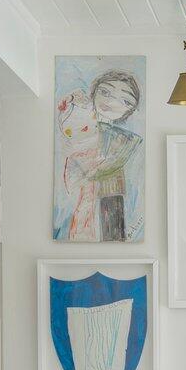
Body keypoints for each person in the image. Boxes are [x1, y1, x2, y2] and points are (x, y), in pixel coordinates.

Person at [55, 68, 144, 241]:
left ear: (130, 110)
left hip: (112, 190)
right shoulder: (81, 124)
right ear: (94, 93)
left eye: (125, 100)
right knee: (83, 219)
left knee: (113, 229)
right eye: (105, 92)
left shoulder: (124, 140)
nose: (111, 102)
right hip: (84, 191)